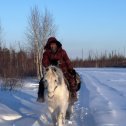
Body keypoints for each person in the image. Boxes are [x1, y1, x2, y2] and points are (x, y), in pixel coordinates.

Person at [37, 37, 78, 103]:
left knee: (72, 80)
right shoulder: (46, 53)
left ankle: (73, 96)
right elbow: (44, 63)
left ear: (56, 44)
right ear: (49, 45)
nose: (52, 46)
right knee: (42, 81)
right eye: (51, 44)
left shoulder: (62, 52)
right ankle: (41, 96)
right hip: (52, 72)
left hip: (63, 71)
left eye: (54, 44)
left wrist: (71, 69)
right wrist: (50, 64)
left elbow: (67, 61)